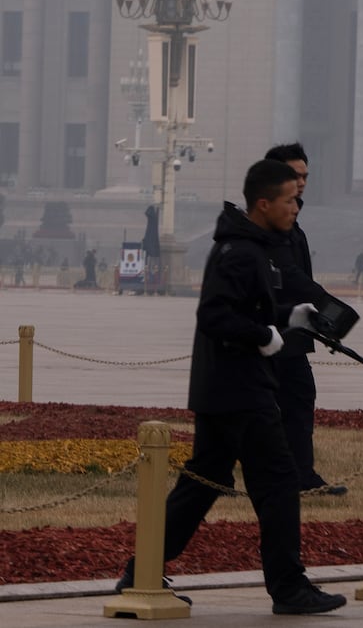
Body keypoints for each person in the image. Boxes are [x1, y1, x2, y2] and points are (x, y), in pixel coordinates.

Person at [113, 158, 345, 615]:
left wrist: (285, 318)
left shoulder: (253, 246)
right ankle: (289, 587)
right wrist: (262, 335)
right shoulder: (240, 251)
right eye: (288, 199)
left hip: (225, 389)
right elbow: (214, 316)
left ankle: (140, 570)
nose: (296, 205)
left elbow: (248, 307)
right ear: (264, 203)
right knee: (279, 481)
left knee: (204, 481)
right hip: (240, 390)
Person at [263, 142, 343, 497]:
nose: (303, 182)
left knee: (298, 399)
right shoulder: (266, 224)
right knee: (255, 410)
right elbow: (289, 277)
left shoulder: (293, 226)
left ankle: (302, 477)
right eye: (295, 175)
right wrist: (324, 303)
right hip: (265, 334)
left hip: (292, 335)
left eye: (306, 176)